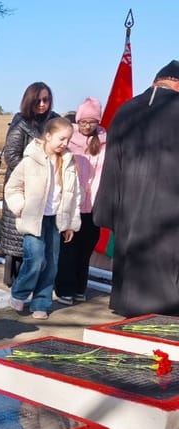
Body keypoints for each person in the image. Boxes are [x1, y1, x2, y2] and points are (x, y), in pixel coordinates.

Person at [94, 60, 179, 317]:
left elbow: (111, 167)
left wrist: (106, 211)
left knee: (133, 271)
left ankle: (131, 321)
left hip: (131, 211)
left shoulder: (126, 110)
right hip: (171, 213)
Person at [5, 117, 81, 320]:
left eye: (68, 139)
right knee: (36, 259)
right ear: (48, 136)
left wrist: (71, 224)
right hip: (33, 219)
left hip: (55, 220)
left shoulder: (68, 162)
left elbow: (75, 195)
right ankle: (19, 292)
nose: (65, 143)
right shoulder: (31, 160)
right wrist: (21, 207)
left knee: (52, 263)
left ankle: (41, 302)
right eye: (61, 138)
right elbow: (12, 187)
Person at [1, 82, 60, 286]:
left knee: (43, 238)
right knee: (20, 240)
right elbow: (11, 155)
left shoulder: (55, 122)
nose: (43, 104)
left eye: (46, 100)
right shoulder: (21, 124)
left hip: (49, 190)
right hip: (24, 188)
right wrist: (34, 174)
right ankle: (16, 282)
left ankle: (38, 282)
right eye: (38, 100)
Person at [54, 97, 106, 305]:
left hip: (93, 204)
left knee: (85, 249)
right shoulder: (70, 139)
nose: (87, 126)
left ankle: (79, 287)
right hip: (71, 202)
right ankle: (64, 288)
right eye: (83, 122)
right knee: (68, 247)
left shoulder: (104, 141)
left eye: (91, 122)